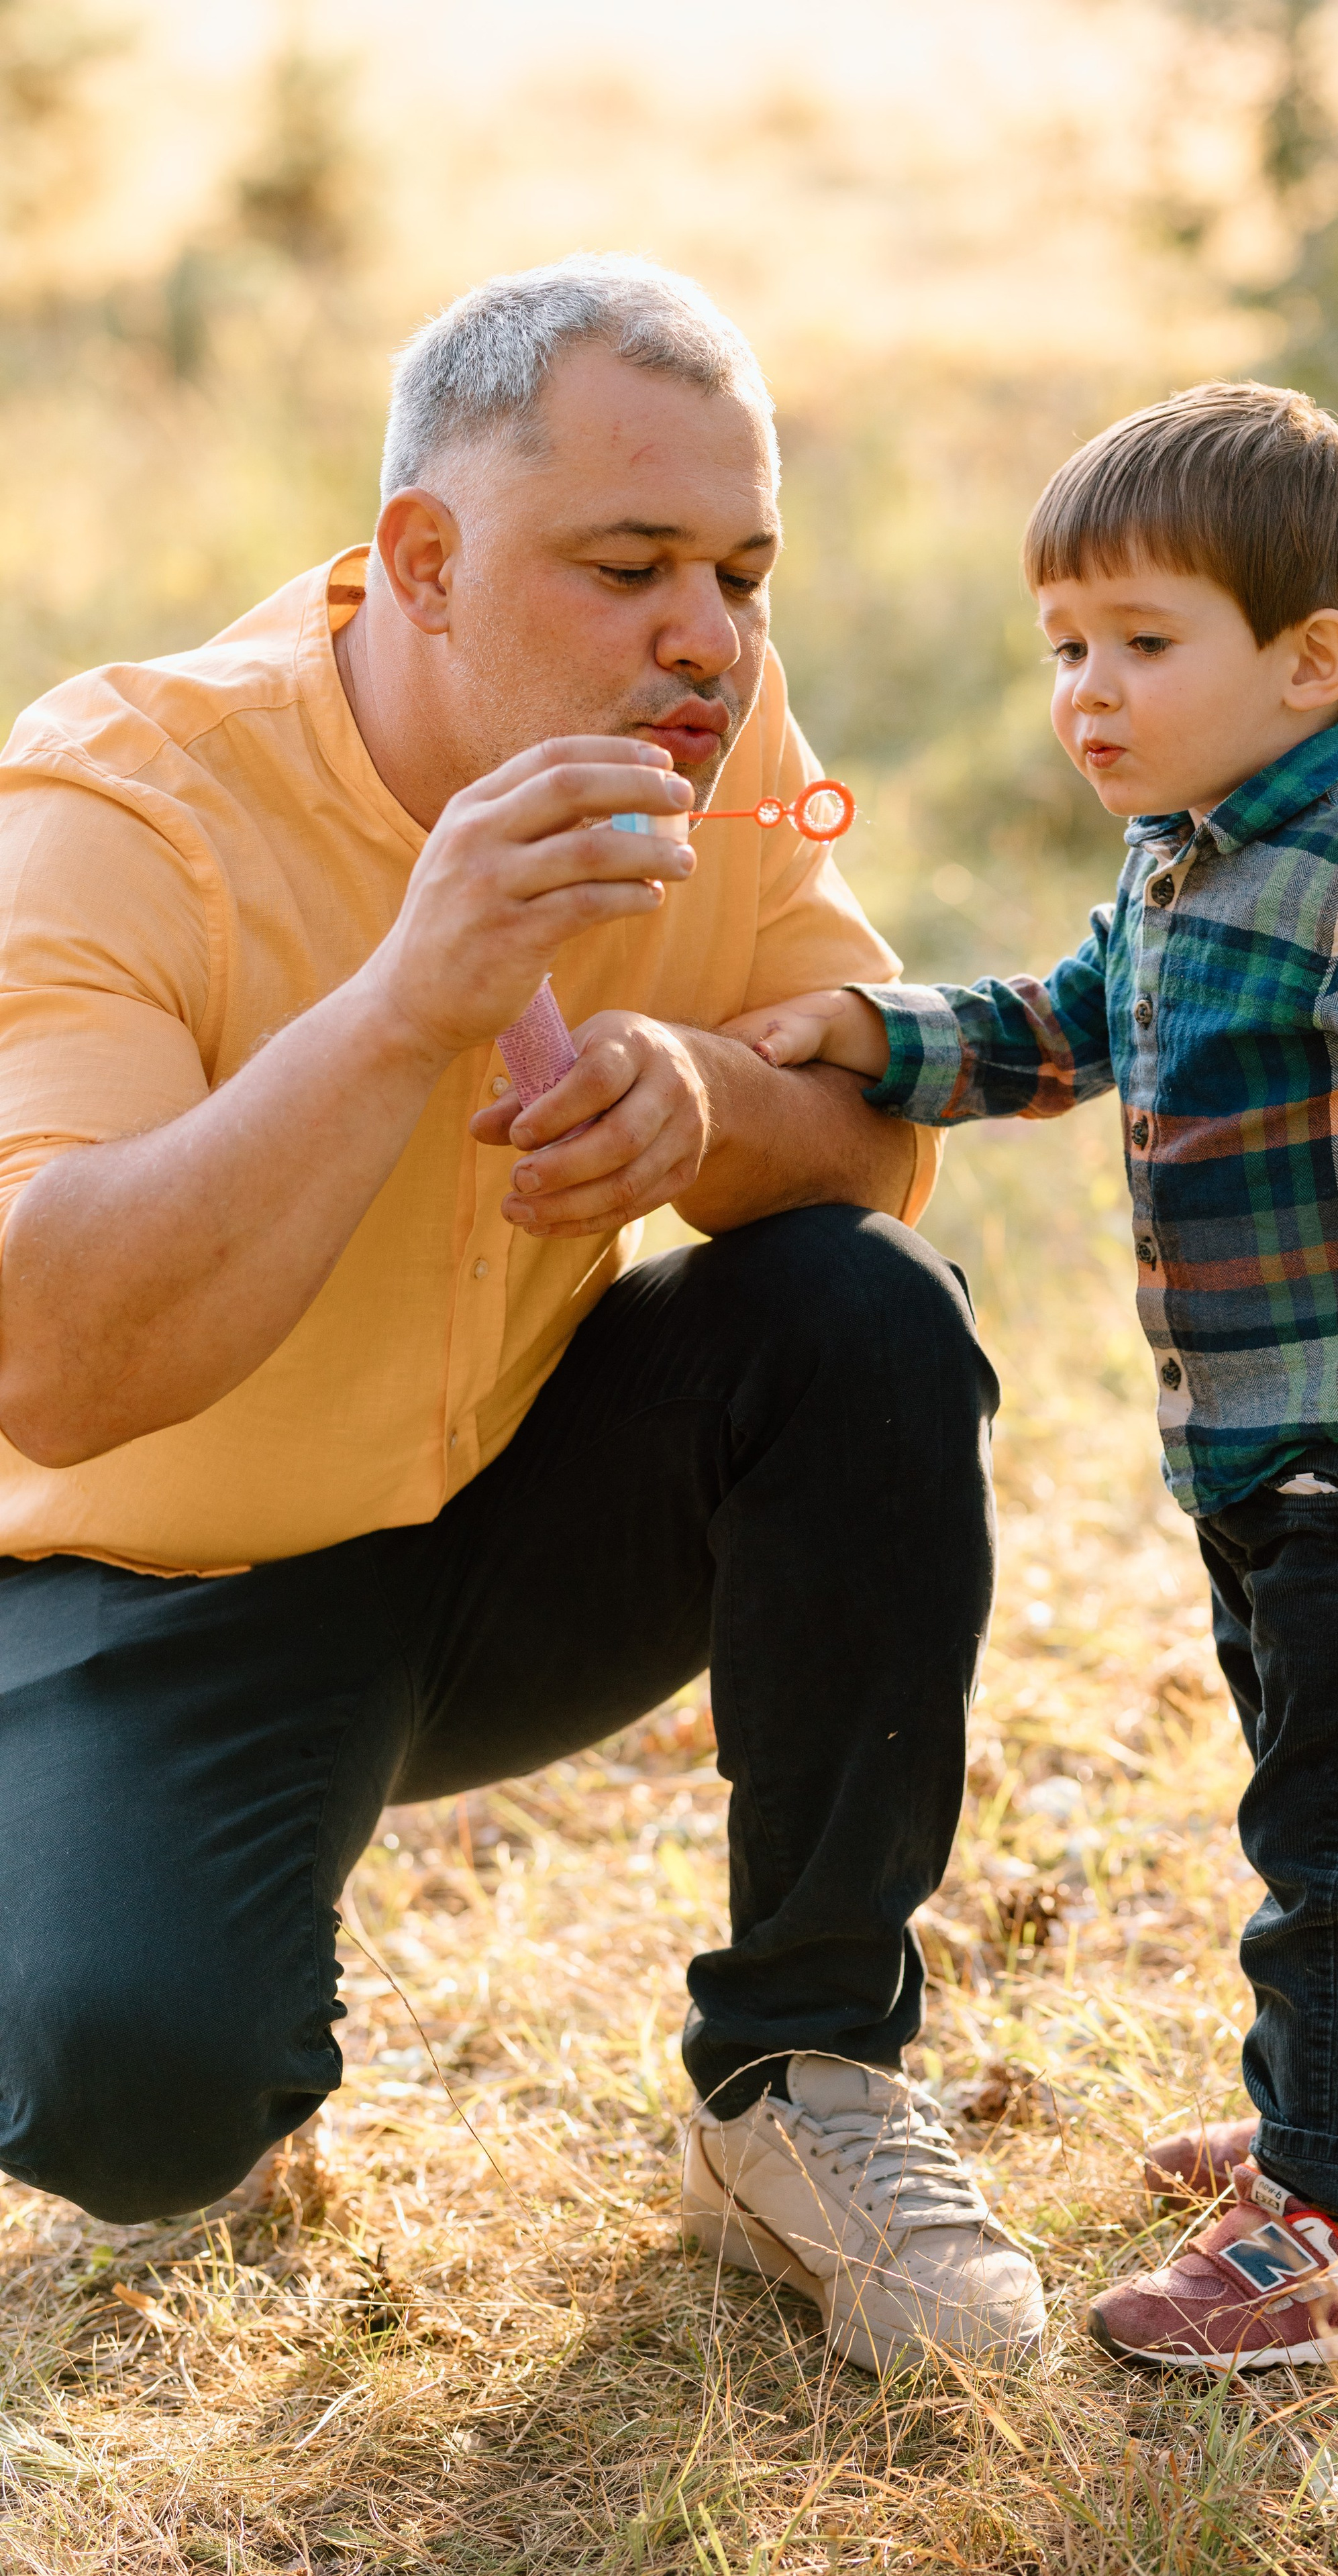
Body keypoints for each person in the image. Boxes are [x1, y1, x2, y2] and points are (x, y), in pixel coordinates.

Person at [0, 255, 1046, 2375]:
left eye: (744, 569)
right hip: (144, 1580)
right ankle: (162, 1906)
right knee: (144, 2098)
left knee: (860, 1318)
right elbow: (56, 1363)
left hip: (502, 1513)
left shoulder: (716, 732)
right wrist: (411, 999)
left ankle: (802, 2082)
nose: (712, 634)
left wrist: (705, 1106)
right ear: (424, 559)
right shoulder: (113, 808)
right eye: (632, 563)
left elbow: (858, 1128)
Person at [723, 380, 1338, 2369]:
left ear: (1309, 660)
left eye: (1144, 643)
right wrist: (882, 1041)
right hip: (1252, 1458)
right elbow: (1063, 1030)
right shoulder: (1177, 865)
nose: (1090, 691)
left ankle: (1325, 2232)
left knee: (1332, 1844)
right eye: (1066, 647)